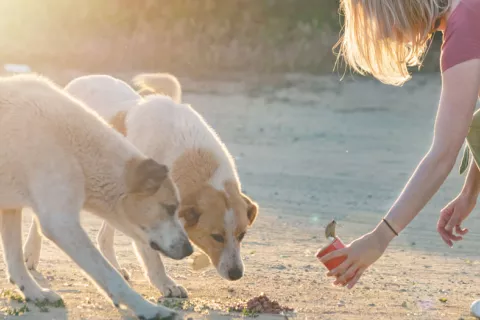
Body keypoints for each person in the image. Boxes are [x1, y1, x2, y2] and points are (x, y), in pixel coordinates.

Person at [319, 0, 480, 290]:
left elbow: (442, 156)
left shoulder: (465, 27)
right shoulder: (469, 12)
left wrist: (379, 238)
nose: (383, 35)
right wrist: (469, 193)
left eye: (380, 23)